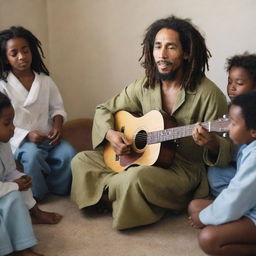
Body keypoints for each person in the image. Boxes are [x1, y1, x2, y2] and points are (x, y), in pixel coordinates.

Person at [71, 16, 232, 230]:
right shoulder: (145, 85)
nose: (162, 55)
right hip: (143, 157)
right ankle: (123, 197)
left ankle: (110, 195)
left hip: (182, 170)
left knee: (133, 178)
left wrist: (211, 143)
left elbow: (229, 147)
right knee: (81, 160)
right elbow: (105, 109)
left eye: (171, 47)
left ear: (186, 53)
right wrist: (110, 134)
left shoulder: (210, 95)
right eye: (158, 46)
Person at [0, 26, 76, 201]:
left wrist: (57, 126)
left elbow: (57, 108)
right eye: (14, 53)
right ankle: (37, 195)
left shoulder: (45, 81)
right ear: (6, 57)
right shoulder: (3, 85)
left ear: (32, 51)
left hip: (49, 138)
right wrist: (27, 135)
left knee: (68, 153)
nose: (21, 56)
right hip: (19, 141)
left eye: (25, 51)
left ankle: (58, 189)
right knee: (32, 156)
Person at [188, 91, 256, 256]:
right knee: (194, 207)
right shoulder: (249, 146)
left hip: (249, 209)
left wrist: (204, 218)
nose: (227, 127)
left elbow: (236, 198)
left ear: (253, 131)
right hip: (249, 204)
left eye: (233, 123)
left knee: (208, 239)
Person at [0, 92, 62, 256]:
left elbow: (8, 172)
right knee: (13, 192)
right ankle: (13, 249)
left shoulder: (3, 143)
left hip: (2, 189)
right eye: (7, 124)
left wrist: (18, 180)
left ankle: (24, 243)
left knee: (17, 183)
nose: (13, 128)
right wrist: (14, 185)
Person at [193, 53, 256, 197]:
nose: (232, 88)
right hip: (237, 166)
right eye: (229, 82)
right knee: (216, 174)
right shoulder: (227, 110)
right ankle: (233, 200)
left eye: (239, 83)